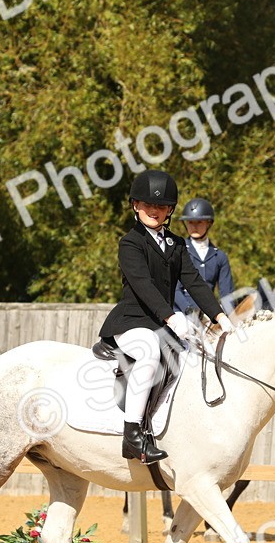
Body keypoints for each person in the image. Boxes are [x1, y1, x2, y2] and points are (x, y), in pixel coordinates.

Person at [98, 170, 235, 464]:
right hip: (131, 322)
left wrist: (219, 316)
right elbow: (142, 284)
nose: (154, 211)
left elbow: (195, 282)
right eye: (148, 205)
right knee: (149, 351)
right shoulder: (130, 243)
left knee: (192, 359)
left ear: (170, 210)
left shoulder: (175, 244)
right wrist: (171, 317)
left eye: (160, 207)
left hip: (161, 325)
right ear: (135, 205)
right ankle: (133, 434)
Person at [173, 197, 235, 314]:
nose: (194, 226)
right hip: (181, 313)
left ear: (209, 223)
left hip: (209, 314)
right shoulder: (178, 251)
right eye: (190, 222)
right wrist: (190, 311)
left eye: (199, 222)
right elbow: (174, 289)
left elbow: (227, 293)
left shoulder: (219, 256)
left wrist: (226, 315)